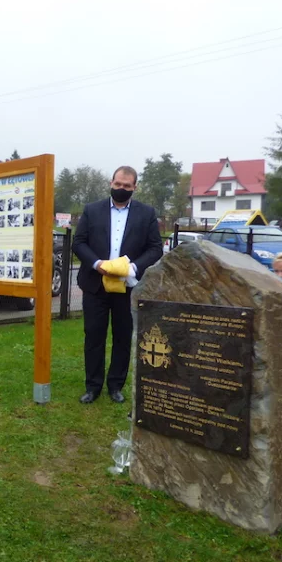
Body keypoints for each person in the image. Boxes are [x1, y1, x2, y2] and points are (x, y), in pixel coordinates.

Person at [72, 166, 163, 404]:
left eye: (127, 186)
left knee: (123, 337)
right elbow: (79, 242)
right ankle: (93, 387)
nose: (121, 189)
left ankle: (116, 385)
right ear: (111, 182)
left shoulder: (146, 213)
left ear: (135, 187)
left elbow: (155, 248)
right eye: (118, 184)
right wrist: (96, 263)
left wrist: (134, 267)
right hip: (95, 284)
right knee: (93, 336)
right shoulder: (92, 210)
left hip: (128, 285)